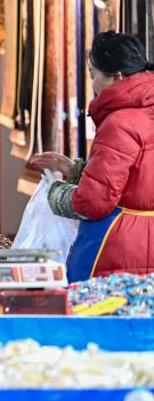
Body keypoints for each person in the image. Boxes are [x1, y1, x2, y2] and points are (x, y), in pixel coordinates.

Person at [30, 31, 154, 282]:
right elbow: (137, 177)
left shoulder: (119, 122)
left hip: (118, 244)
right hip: (145, 240)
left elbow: (94, 202)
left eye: (93, 74)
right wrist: (76, 170)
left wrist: (54, 192)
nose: (93, 84)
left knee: (106, 305)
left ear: (116, 77)